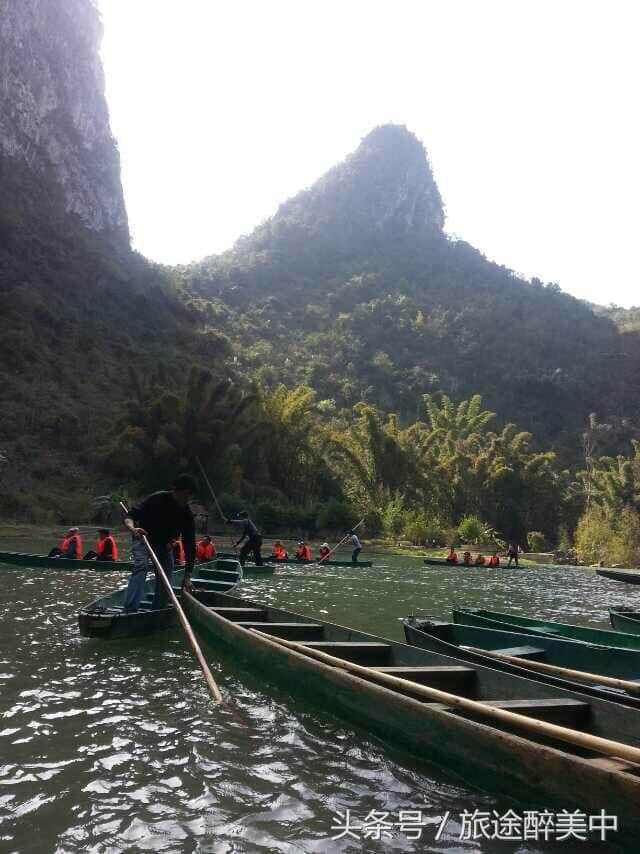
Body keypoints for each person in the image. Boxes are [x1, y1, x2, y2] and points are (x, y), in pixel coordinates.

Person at [122, 473, 197, 612]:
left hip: (163, 545)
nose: (188, 498)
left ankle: (157, 611)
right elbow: (130, 516)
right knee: (141, 566)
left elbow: (190, 546)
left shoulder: (187, 514)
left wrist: (187, 576)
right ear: (177, 490)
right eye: (186, 494)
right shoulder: (158, 498)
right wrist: (133, 529)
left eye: (190, 495)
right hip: (143, 538)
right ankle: (130, 609)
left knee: (166, 574)